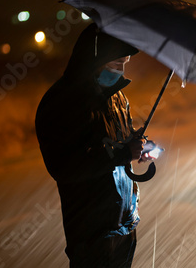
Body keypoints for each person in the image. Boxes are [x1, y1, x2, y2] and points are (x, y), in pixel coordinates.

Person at [35, 23, 150, 267]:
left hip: (124, 223)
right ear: (95, 59)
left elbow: (118, 142)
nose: (121, 70)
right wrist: (122, 154)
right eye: (116, 63)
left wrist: (136, 146)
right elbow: (66, 166)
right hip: (92, 232)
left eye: (125, 63)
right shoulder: (63, 101)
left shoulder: (116, 96)